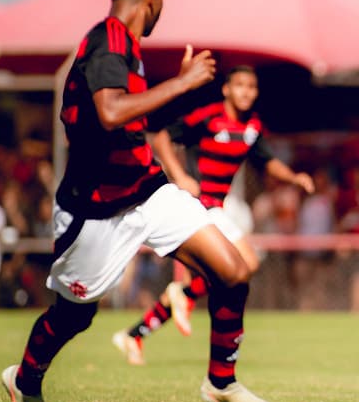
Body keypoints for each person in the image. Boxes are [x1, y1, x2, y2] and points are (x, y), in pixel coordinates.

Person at [0, 0, 288, 402]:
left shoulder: (125, 46)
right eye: (163, 4)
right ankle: (24, 379)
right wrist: (184, 83)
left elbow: (124, 118)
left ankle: (221, 381)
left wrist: (172, 90)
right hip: (95, 208)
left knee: (233, 271)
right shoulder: (108, 41)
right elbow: (110, 113)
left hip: (147, 190)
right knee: (73, 317)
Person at [112, 65, 314, 362]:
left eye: (252, 87)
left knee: (220, 275)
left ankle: (136, 334)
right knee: (245, 263)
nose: (247, 92)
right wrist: (179, 175)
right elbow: (163, 138)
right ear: (227, 90)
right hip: (197, 204)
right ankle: (188, 301)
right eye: (241, 85)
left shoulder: (252, 127)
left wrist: (294, 178)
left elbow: (268, 161)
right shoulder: (208, 116)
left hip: (216, 207)